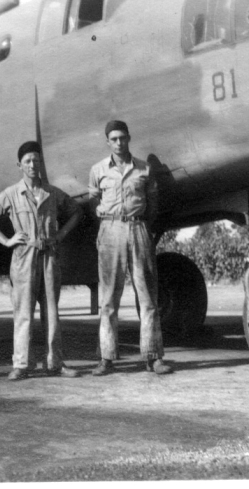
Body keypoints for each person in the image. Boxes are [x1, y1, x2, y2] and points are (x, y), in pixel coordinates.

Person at [0, 141, 83, 380]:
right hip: (23, 259)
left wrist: (60, 235)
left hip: (48, 257)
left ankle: (55, 363)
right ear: (20, 165)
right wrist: (7, 241)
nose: (32, 164)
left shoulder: (52, 193)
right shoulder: (11, 194)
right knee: (23, 313)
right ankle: (21, 364)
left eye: (36, 160)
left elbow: (76, 212)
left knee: (51, 313)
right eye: (27, 161)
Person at [88, 121, 172, 376]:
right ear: (107, 142)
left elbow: (154, 202)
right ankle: (107, 357)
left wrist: (143, 226)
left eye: (122, 138)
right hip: (110, 230)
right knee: (109, 299)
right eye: (113, 139)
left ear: (129, 139)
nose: (118, 143)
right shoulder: (98, 170)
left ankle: (153, 357)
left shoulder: (144, 169)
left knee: (148, 297)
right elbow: (93, 201)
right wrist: (106, 226)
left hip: (138, 229)